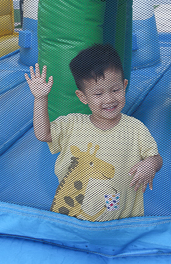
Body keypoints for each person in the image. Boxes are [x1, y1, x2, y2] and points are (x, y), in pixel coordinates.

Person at [26, 44, 162, 221]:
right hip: (72, 219)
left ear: (124, 85)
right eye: (98, 94)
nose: (109, 99)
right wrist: (40, 98)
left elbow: (156, 157)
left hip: (121, 222)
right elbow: (43, 134)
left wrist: (150, 164)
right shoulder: (72, 124)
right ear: (83, 97)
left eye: (115, 90)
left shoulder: (135, 128)